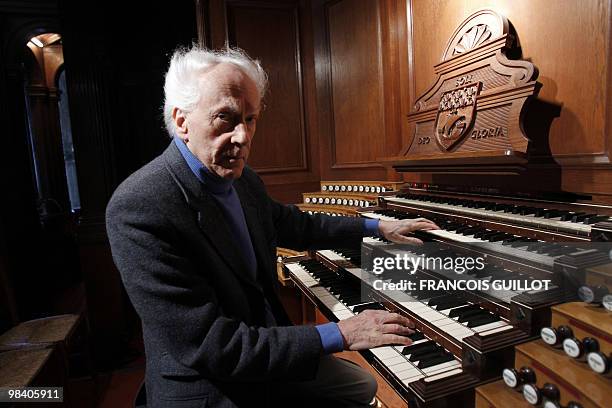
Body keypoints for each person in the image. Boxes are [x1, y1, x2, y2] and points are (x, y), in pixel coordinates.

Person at [106, 45, 439, 408]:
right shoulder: (140, 206)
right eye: (225, 119)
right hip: (212, 384)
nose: (243, 137)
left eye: (250, 119)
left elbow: (297, 223)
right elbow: (213, 345)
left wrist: (378, 227)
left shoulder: (243, 181)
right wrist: (340, 332)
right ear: (182, 121)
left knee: (362, 387)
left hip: (265, 347)